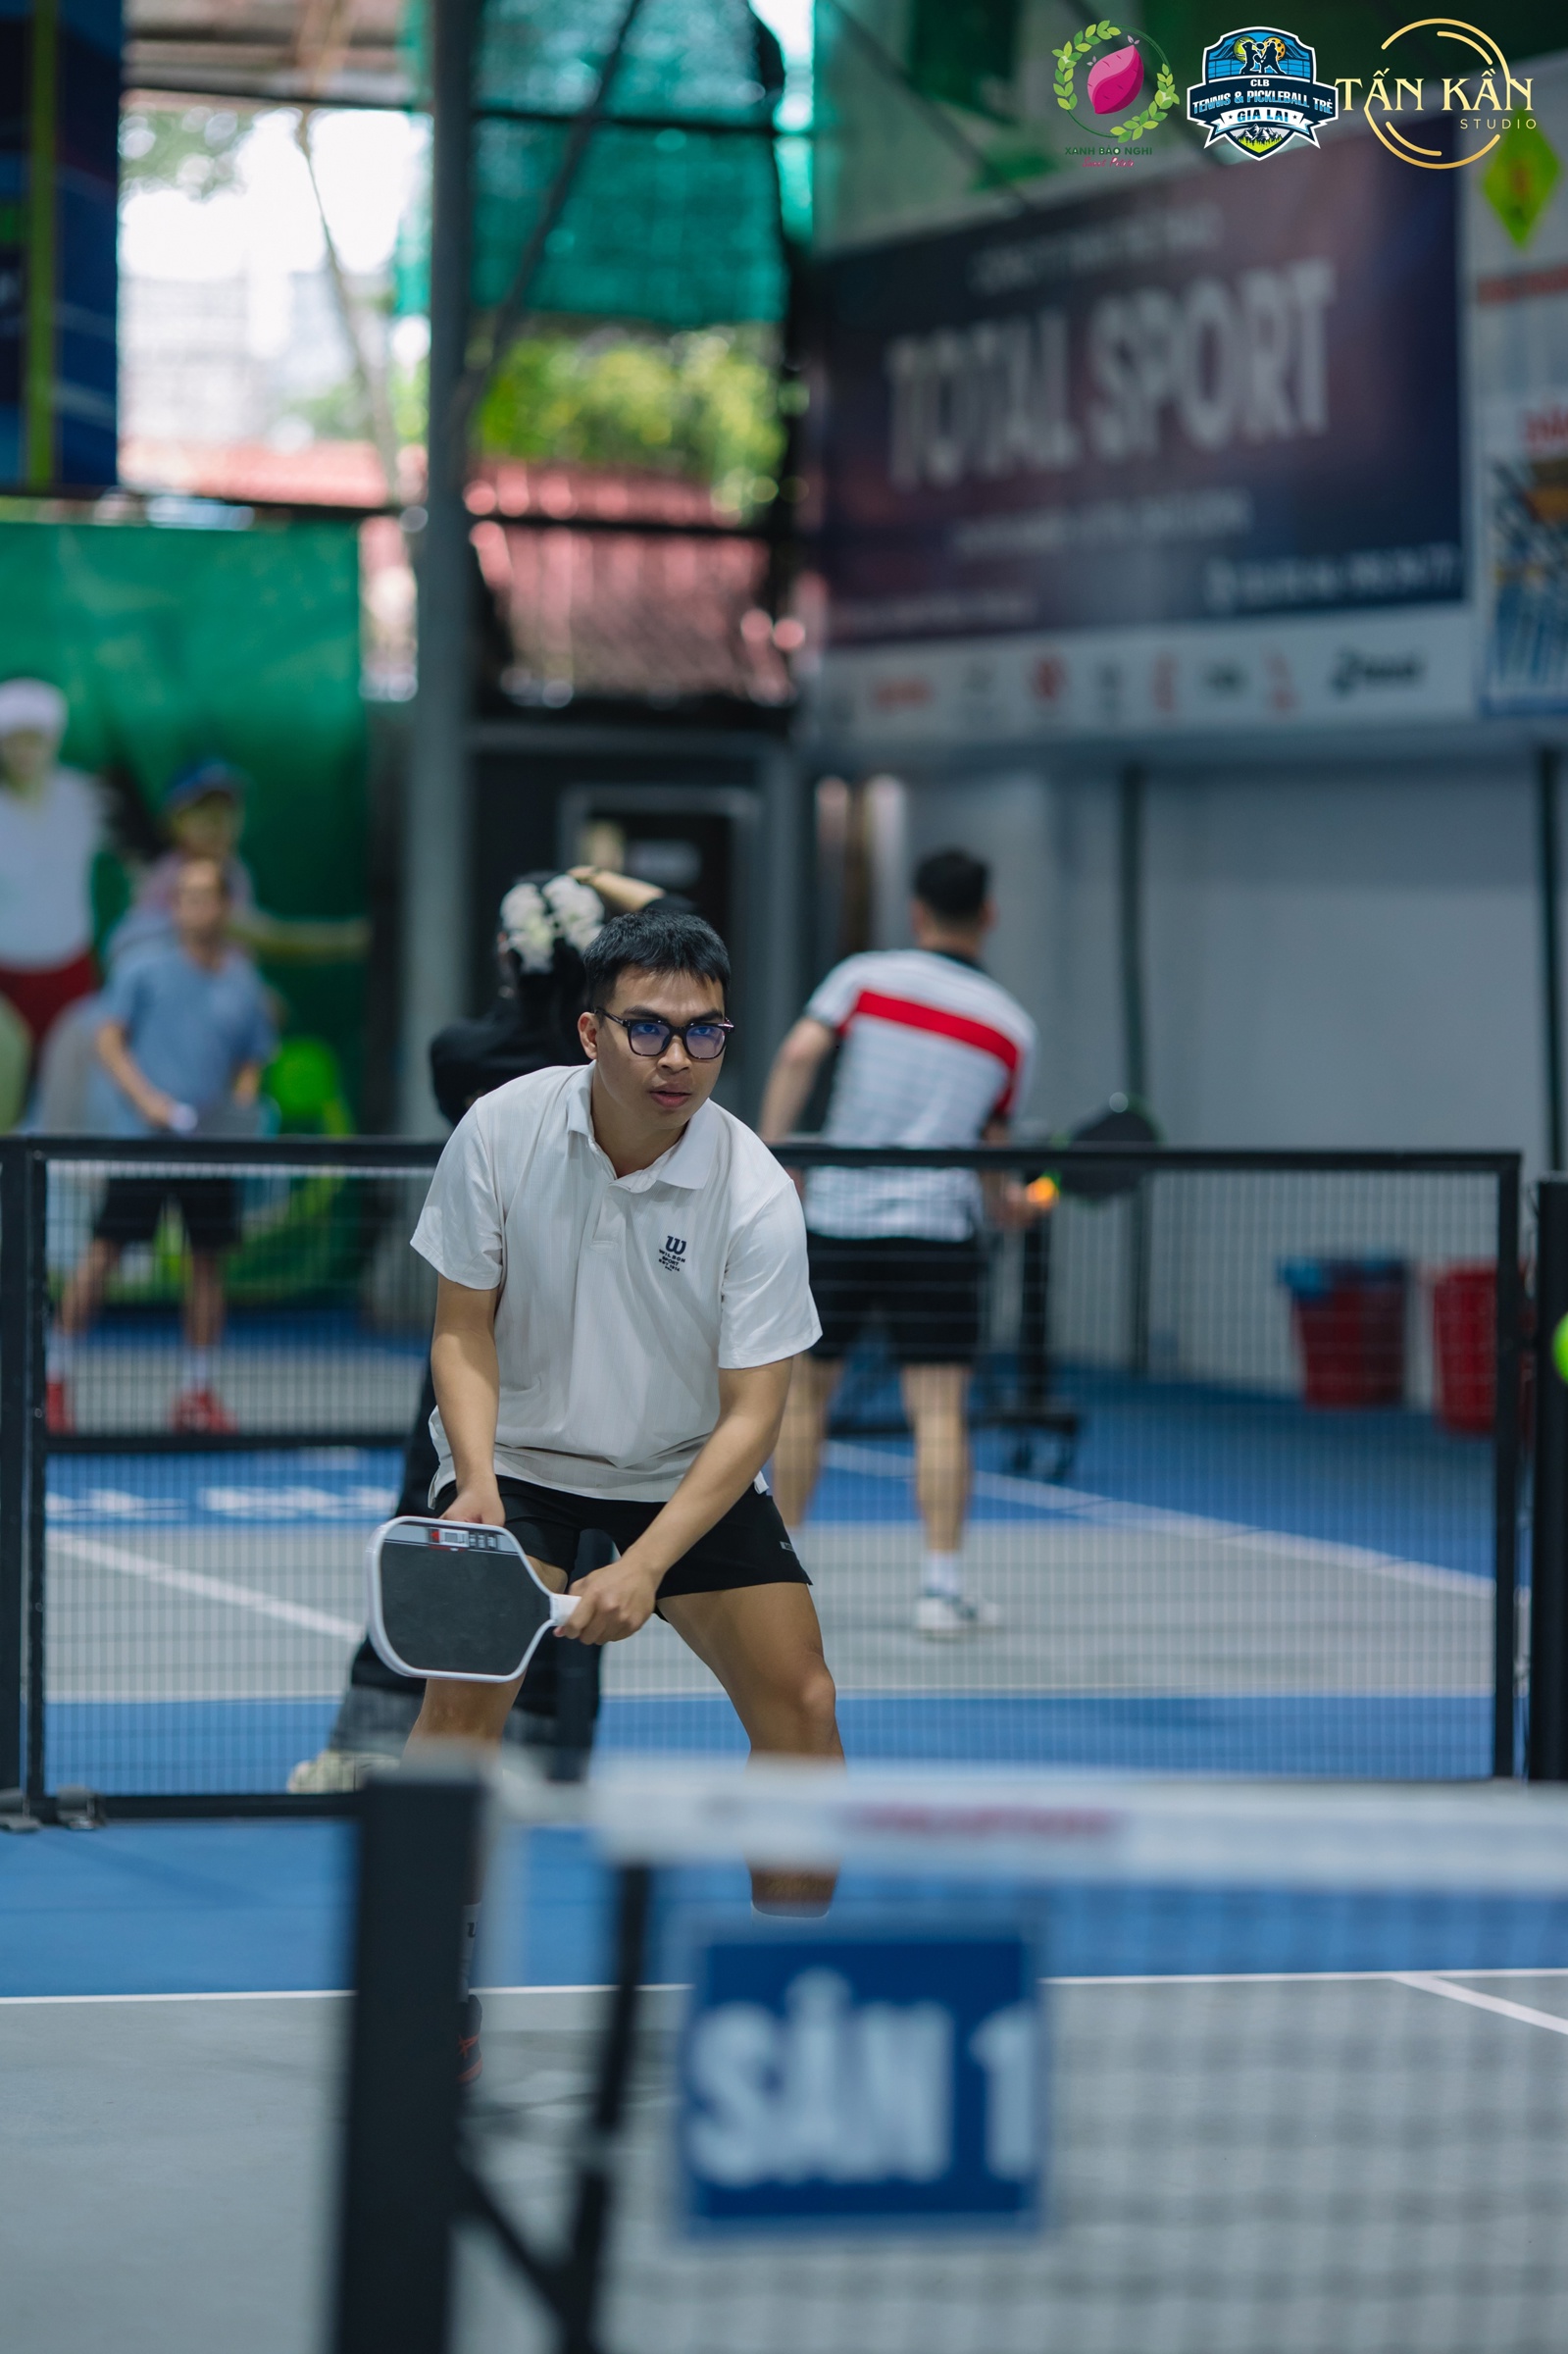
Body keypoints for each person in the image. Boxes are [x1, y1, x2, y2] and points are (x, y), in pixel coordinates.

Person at [409, 902, 838, 2076]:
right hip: (521, 1465)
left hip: (683, 1472)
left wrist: (646, 1568)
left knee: (802, 1702)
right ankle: (430, 1982)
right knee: (463, 1706)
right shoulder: (501, 1130)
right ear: (592, 1032)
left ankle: (790, 1989)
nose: (678, 1059)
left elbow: (754, 1415)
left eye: (706, 1033)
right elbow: (461, 1329)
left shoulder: (754, 1191)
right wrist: (475, 1483)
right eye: (649, 1030)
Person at [287, 861, 674, 1793]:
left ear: (506, 955)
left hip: (479, 1325)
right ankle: (550, 1751)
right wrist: (601, 880)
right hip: (593, 1341)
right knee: (581, 1540)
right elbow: (678, 930)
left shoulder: (462, 1053)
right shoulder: (612, 1064)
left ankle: (374, 1738)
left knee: (436, 1527)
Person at [757, 847, 1044, 1639]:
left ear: (916, 911)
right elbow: (991, 1146)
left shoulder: (862, 978)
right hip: (934, 1233)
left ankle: (774, 1579)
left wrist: (774, 1156)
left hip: (839, 1219)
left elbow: (797, 1053)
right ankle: (939, 1591)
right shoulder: (1011, 1028)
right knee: (939, 1410)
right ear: (988, 915)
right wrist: (1006, 1203)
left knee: (804, 1398)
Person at [48, 856, 277, 1436]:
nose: (193, 906)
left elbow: (251, 1058)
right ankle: (53, 1380)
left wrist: (240, 1105)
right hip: (144, 1144)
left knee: (207, 1264)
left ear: (224, 905)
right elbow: (108, 1040)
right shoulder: (142, 970)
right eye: (184, 896)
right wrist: (146, 1100)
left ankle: (196, 1393)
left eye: (204, 896)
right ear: (173, 906)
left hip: (211, 1149)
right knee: (103, 1254)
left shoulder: (243, 981)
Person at [107, 758, 370, 970]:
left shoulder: (235, 871)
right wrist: (349, 939)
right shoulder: (184, 874)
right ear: (174, 822)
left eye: (227, 809)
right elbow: (270, 938)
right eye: (203, 810)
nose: (217, 821)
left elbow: (235, 953)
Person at [0, 679, 105, 1095]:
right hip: (7, 983)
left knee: (70, 1094)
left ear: (54, 740)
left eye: (35, 739)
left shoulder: (85, 798)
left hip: (72, 977)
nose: (24, 751)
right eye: (13, 739)